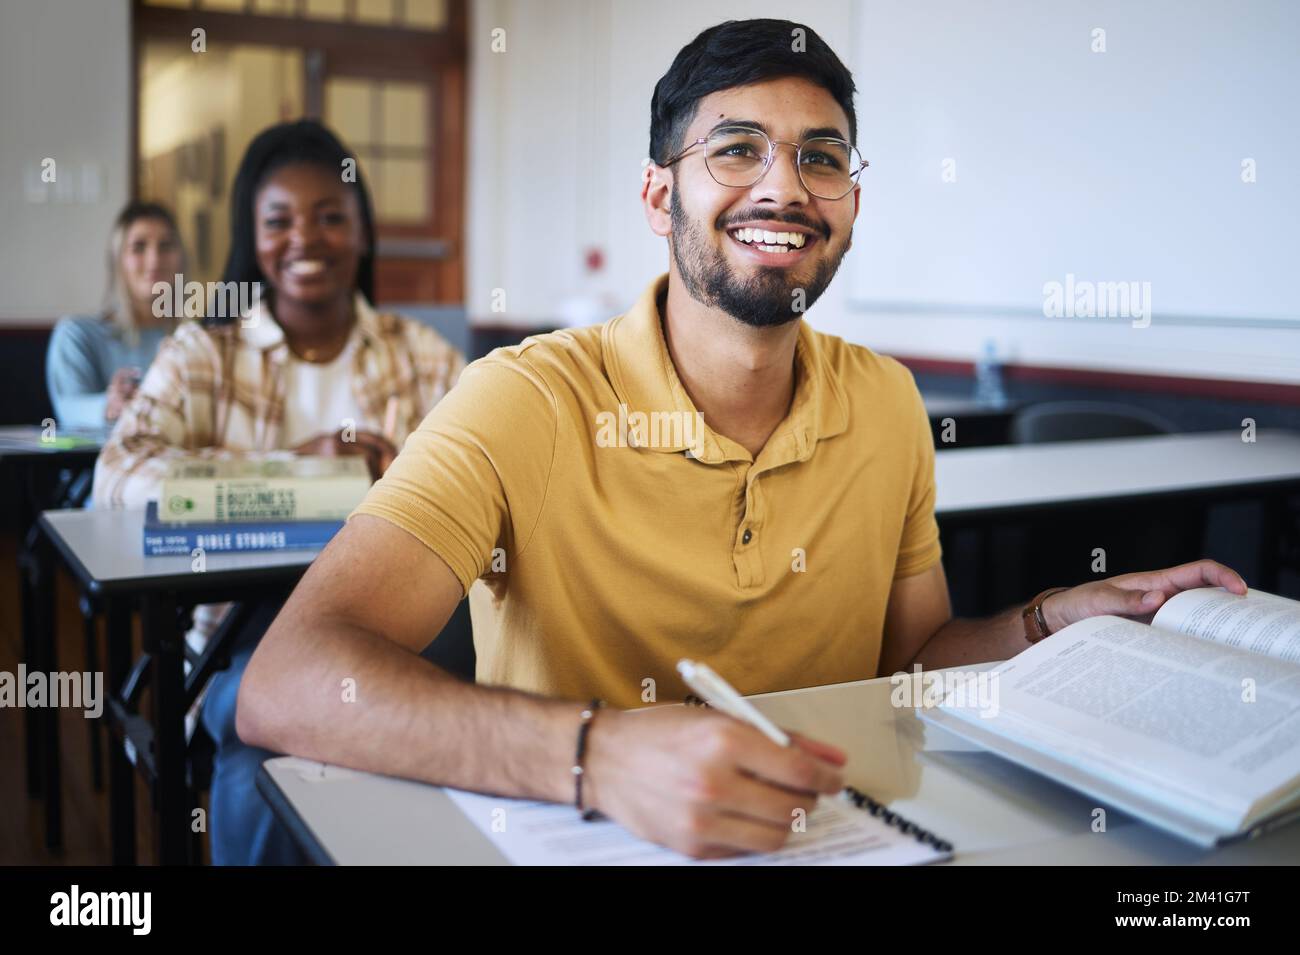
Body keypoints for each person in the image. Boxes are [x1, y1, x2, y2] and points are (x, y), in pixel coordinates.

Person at [238, 20, 1248, 861]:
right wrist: (599, 755)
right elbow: (288, 681)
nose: (785, 188)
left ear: (850, 201)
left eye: (821, 156)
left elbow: (915, 659)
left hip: (836, 833)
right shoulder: (523, 398)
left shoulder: (889, 403)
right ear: (656, 196)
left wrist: (1047, 621)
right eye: (735, 150)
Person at [93, 120, 465, 863]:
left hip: (397, 635)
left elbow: (494, 476)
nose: (307, 239)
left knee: (324, 727)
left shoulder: (420, 354)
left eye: (331, 215)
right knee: (259, 737)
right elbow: (117, 476)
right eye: (279, 221)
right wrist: (297, 469)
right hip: (243, 637)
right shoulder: (205, 352)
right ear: (250, 236)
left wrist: (414, 480)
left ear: (361, 232)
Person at [46, 202, 185, 429]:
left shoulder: (196, 337)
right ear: (117, 259)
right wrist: (109, 406)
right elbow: (69, 409)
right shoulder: (76, 334)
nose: (154, 260)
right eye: (139, 247)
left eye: (166, 246)